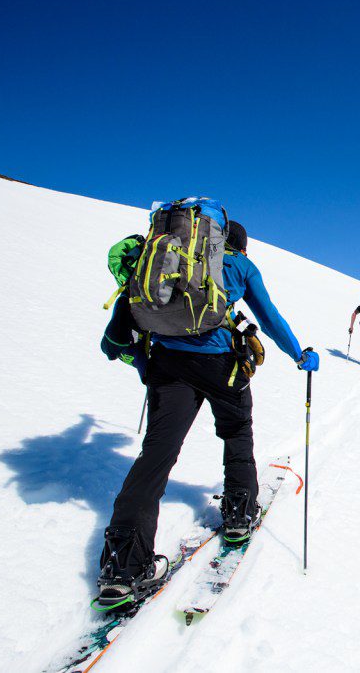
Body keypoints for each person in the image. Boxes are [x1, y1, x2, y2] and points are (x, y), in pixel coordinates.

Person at [97, 220, 319, 604]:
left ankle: (123, 565)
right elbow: (269, 317)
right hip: (221, 366)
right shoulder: (240, 266)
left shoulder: (170, 259)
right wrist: (299, 355)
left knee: (157, 454)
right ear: (237, 246)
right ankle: (238, 514)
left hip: (167, 366)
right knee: (236, 432)